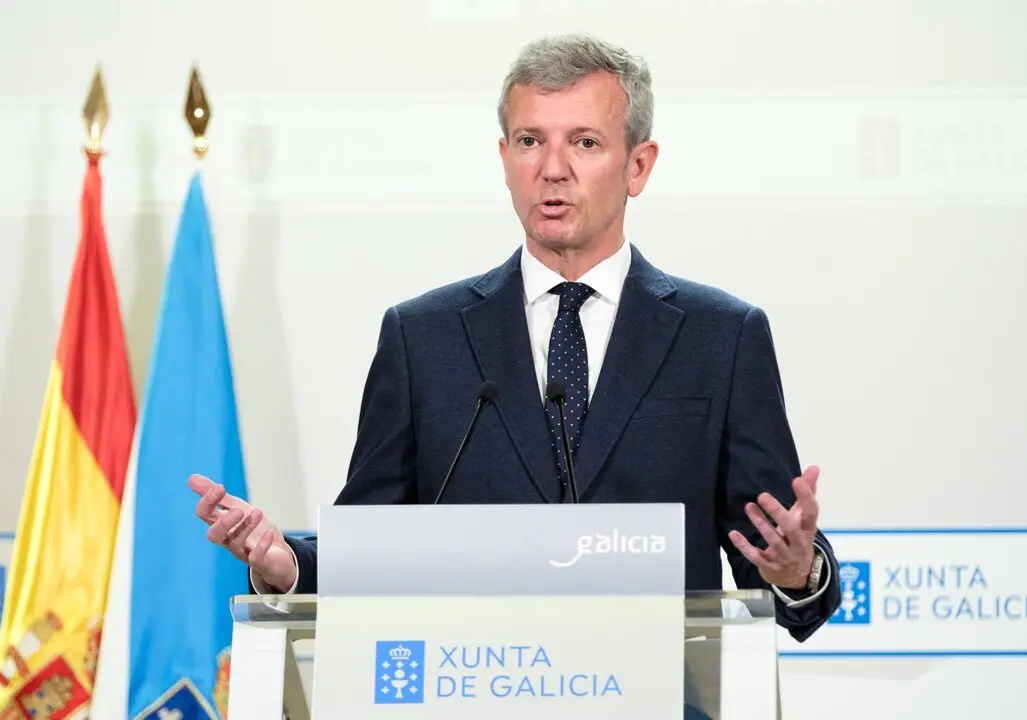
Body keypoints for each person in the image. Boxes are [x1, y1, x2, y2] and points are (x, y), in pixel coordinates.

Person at [191, 33, 841, 642]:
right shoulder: (423, 340)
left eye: (585, 143)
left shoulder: (720, 339)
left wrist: (796, 572)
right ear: (504, 160)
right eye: (531, 141)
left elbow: (776, 558)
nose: (552, 168)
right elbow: (372, 546)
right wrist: (288, 564)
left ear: (638, 165)